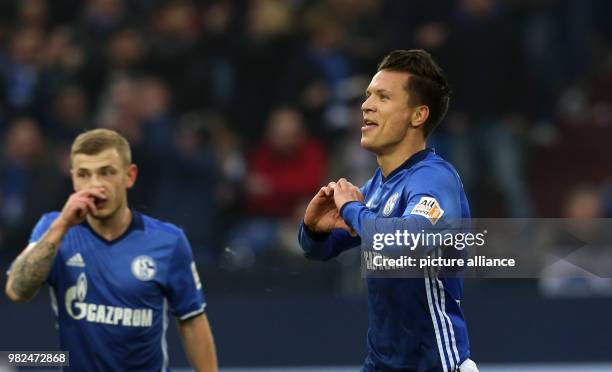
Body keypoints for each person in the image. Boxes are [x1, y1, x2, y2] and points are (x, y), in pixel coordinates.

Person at [299, 50, 478, 372]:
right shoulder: (378, 186)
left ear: (417, 115)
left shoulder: (434, 178)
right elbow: (318, 251)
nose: (366, 105)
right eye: (368, 96)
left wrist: (353, 209)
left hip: (434, 365)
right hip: (383, 364)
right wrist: (313, 228)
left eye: (383, 97)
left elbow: (408, 241)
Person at [5, 129, 218, 371]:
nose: (95, 185)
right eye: (84, 175)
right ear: (74, 179)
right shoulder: (54, 229)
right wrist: (61, 226)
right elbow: (17, 291)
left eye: (106, 172)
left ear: (129, 176)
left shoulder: (168, 241)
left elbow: (191, 320)